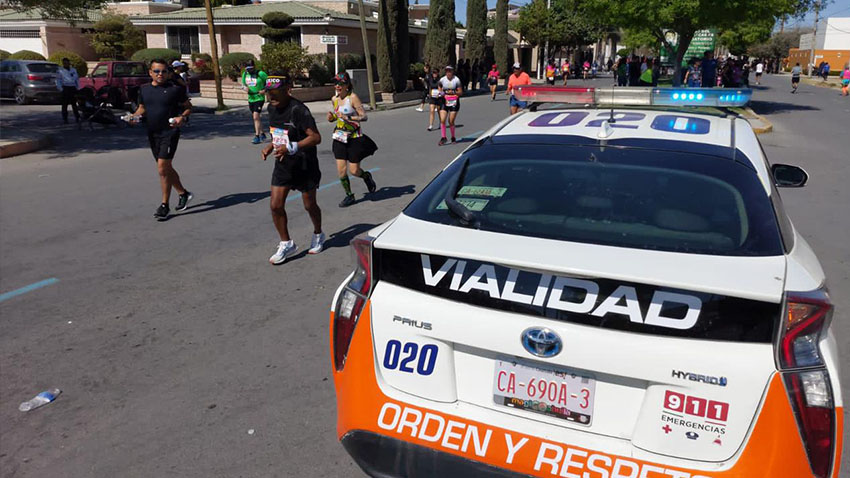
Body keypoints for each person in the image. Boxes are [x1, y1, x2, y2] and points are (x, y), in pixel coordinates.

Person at [260, 74, 325, 264]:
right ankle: (286, 243)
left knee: (309, 205)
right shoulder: (271, 108)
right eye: (268, 93)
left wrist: (291, 147)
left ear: (287, 90)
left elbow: (315, 137)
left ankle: (318, 233)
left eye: (275, 92)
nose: (270, 97)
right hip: (283, 163)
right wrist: (270, 146)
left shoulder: (299, 110)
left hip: (305, 164)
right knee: (275, 205)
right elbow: (278, 134)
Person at [129, 59, 193, 221]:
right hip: (152, 133)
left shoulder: (175, 89)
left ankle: (164, 205)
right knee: (165, 168)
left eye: (164, 71)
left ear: (169, 73)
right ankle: (183, 193)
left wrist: (182, 117)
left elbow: (188, 107)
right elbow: (142, 108)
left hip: (169, 132)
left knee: (162, 168)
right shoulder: (144, 89)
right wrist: (133, 117)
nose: (160, 74)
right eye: (156, 71)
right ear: (150, 73)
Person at [327, 72, 377, 208]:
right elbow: (337, 117)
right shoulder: (334, 99)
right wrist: (332, 118)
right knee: (341, 170)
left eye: (340, 83)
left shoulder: (353, 98)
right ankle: (349, 195)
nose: (337, 86)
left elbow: (364, 117)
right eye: (336, 83)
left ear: (347, 85)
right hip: (339, 137)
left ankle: (366, 176)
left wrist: (349, 118)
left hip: (354, 138)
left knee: (354, 171)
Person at [241, 59, 268, 144]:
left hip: (259, 98)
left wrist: (265, 90)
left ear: (254, 67)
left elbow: (270, 83)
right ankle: (262, 133)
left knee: (255, 116)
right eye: (248, 69)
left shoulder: (261, 74)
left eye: (251, 68)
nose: (249, 70)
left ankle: (257, 136)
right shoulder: (245, 74)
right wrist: (244, 88)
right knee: (257, 118)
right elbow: (243, 85)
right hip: (251, 98)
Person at [437, 65, 463, 145]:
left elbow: (460, 92)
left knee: (451, 121)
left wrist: (454, 93)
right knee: (442, 119)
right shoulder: (442, 79)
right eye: (447, 71)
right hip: (444, 101)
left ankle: (453, 137)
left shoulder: (456, 80)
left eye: (450, 71)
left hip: (454, 102)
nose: (448, 73)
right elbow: (439, 87)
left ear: (452, 72)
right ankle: (443, 137)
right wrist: (441, 93)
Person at [55, 57, 80, 124]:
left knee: (74, 104)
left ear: (69, 63)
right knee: (65, 104)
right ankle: (65, 119)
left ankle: (77, 117)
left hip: (72, 88)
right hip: (65, 88)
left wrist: (78, 88)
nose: (66, 64)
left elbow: (77, 79)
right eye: (64, 63)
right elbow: (58, 81)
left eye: (67, 63)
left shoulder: (73, 70)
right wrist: (61, 89)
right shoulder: (60, 71)